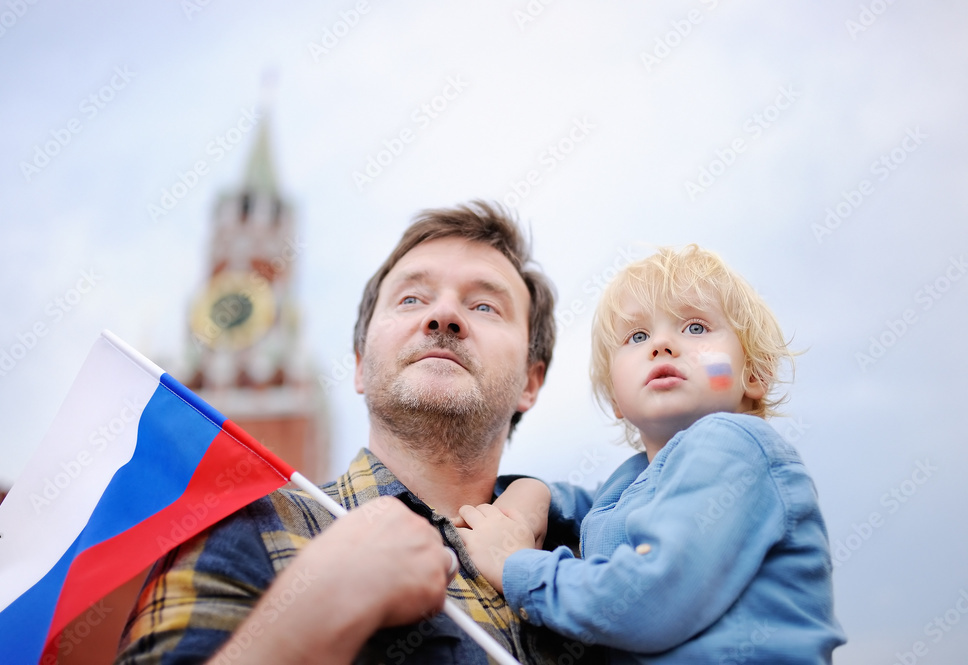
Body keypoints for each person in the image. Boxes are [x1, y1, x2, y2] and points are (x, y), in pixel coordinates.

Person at [116, 201, 602, 664]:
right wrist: (318, 610)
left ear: (530, 382)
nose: (445, 316)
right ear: (360, 367)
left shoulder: (599, 542)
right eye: (411, 298)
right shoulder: (241, 532)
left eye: (485, 306)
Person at [458, 245, 847, 663]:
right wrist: (537, 493)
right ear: (617, 402)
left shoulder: (735, 443)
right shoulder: (634, 480)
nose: (662, 344)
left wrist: (517, 565)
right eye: (637, 337)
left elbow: (650, 599)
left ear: (752, 375)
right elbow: (591, 509)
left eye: (696, 328)